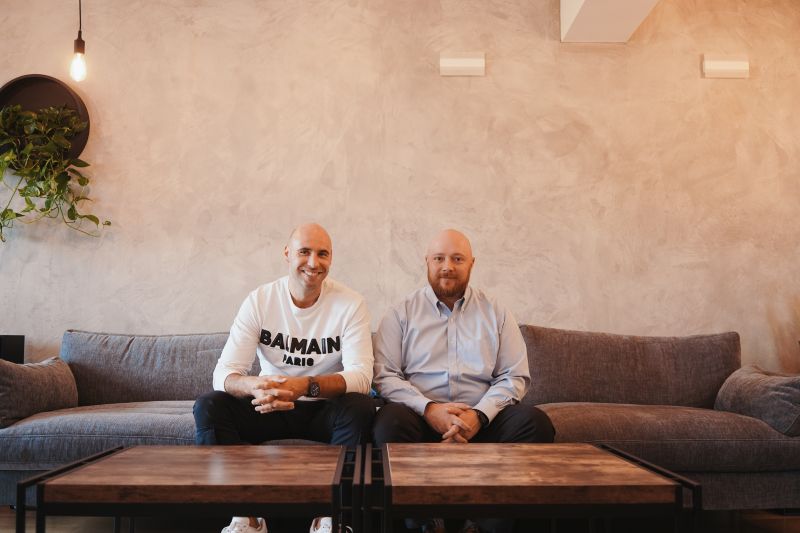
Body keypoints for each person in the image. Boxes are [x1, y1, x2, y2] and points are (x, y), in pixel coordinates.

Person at [194, 223, 375, 533]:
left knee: (361, 406)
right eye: (304, 252)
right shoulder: (261, 300)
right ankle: (245, 517)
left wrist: (303, 386)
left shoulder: (350, 303)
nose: (313, 262)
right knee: (210, 406)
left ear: (331, 258)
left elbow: (361, 377)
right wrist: (254, 386)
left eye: (323, 254)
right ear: (287, 254)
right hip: (269, 406)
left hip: (323, 409)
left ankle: (331, 519)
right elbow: (224, 373)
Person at [372, 229, 555, 533]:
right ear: (427, 262)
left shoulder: (496, 312)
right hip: (421, 420)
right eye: (439, 259)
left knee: (535, 423)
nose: (447, 266)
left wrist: (479, 416)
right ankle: (425, 523)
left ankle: (483, 525)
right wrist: (429, 409)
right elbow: (385, 376)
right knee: (387, 422)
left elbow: (514, 375)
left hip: (482, 422)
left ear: (472, 263)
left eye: (457, 259)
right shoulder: (400, 313)